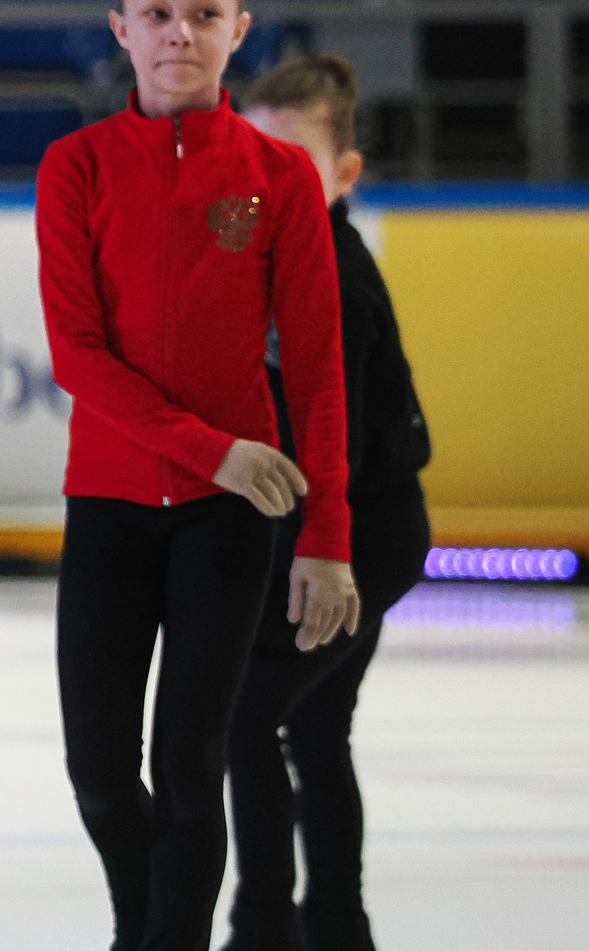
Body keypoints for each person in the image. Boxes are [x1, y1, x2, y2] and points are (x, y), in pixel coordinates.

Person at [37, 0, 360, 951]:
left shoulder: (278, 177)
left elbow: (314, 367)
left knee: (190, 767)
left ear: (238, 31)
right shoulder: (74, 168)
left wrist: (328, 537)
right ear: (120, 28)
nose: (181, 32)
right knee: (97, 770)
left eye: (204, 14)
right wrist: (213, 448)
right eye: (159, 12)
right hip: (113, 504)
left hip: (232, 524)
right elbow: (78, 356)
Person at [224, 55, 432, 951]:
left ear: (345, 176)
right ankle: (337, 929)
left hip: (356, 538)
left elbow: (327, 443)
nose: (266, 183)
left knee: (242, 719)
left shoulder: (334, 280)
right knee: (312, 729)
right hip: (328, 530)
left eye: (291, 164)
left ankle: (266, 926)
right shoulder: (265, 244)